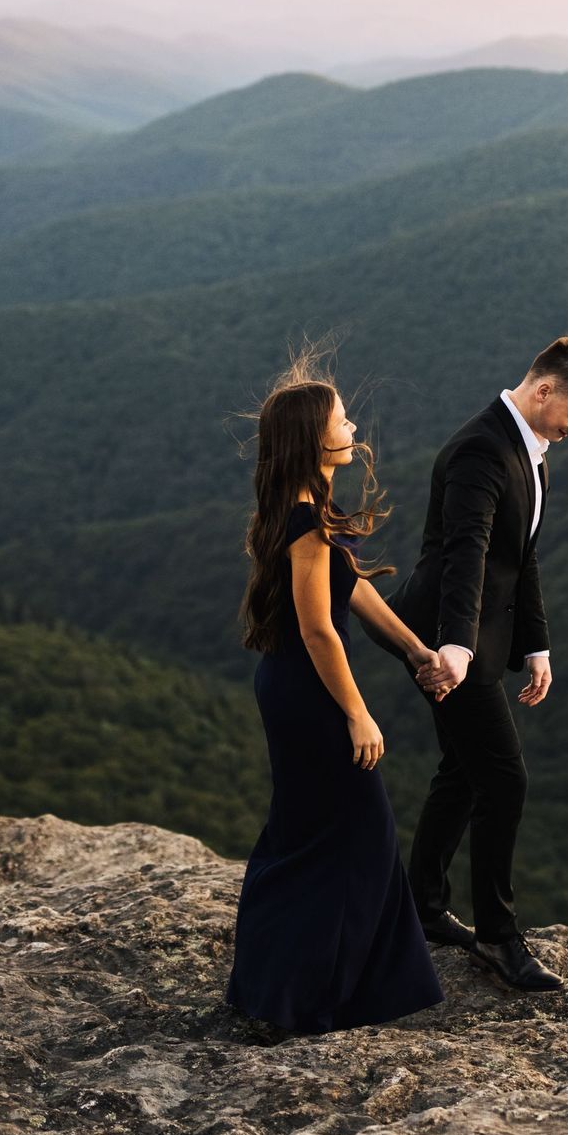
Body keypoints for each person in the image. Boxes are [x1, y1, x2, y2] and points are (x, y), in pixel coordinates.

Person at [391, 333, 568, 991]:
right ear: (544, 389)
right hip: (443, 640)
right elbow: (467, 552)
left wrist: (536, 645)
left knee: (462, 772)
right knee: (504, 779)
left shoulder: (531, 449)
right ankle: (496, 935)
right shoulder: (480, 451)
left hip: (479, 637)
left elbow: (519, 557)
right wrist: (457, 648)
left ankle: (424, 907)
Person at [225, 368, 446, 1033]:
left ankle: (280, 991)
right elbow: (321, 627)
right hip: (311, 690)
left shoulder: (298, 509)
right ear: (313, 441)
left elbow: (356, 591)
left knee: (305, 835)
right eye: (342, 421)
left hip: (287, 683)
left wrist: (415, 650)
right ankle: (317, 1000)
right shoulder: (308, 525)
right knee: (359, 833)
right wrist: (357, 710)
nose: (352, 429)